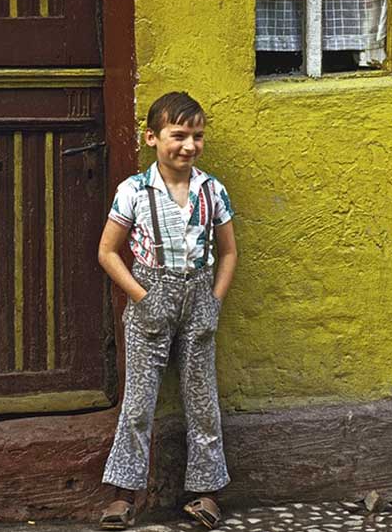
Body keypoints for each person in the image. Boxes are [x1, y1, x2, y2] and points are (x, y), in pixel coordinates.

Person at [97, 92, 238, 530]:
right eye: (178, 135)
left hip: (199, 295)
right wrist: (142, 297)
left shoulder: (211, 190)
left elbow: (230, 252)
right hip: (149, 296)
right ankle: (124, 495)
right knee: (139, 402)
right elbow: (107, 252)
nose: (189, 146)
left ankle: (207, 493)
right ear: (152, 138)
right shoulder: (134, 191)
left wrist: (213, 301)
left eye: (197, 136)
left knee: (202, 401)